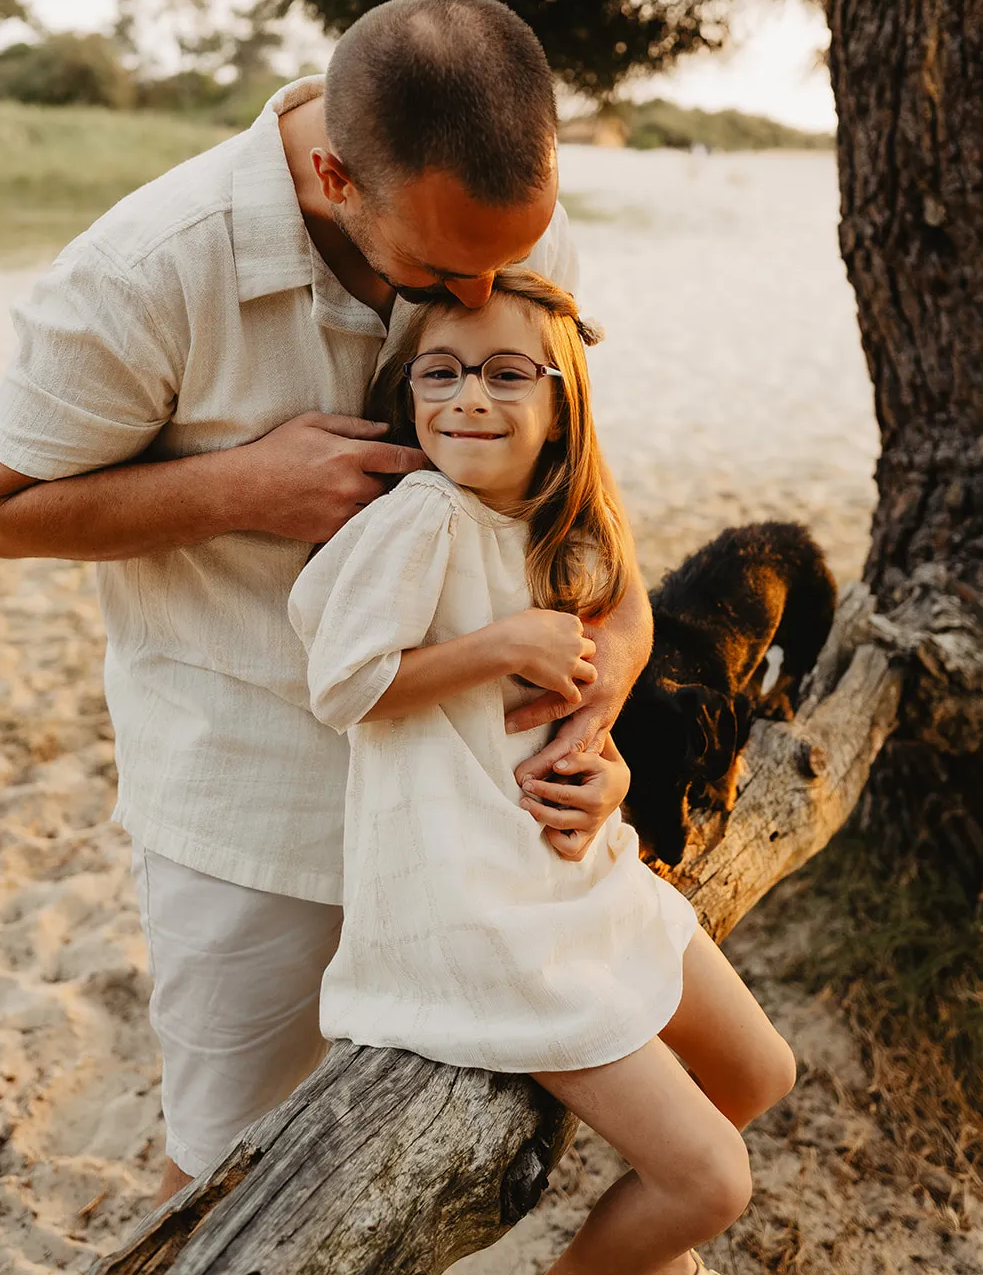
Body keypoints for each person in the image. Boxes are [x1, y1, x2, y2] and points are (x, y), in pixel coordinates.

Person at [0, 0, 654, 1205]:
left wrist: (592, 729)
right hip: (250, 793)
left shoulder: (499, 229)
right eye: (452, 271)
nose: (496, 282)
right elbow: (4, 511)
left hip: (469, 796)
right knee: (226, 1165)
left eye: (517, 253)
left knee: (447, 1143)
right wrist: (242, 486)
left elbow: (575, 510)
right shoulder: (141, 270)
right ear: (336, 175)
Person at [288, 270, 797, 1275]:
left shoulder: (554, 527)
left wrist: (599, 770)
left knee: (758, 1071)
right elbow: (342, 684)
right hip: (478, 906)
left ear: (560, 405)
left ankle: (643, 1249)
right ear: (409, 395)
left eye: (504, 372)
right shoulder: (424, 517)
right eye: (439, 372)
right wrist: (499, 643)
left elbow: (563, 716)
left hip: (570, 869)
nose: (467, 395)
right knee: (713, 1181)